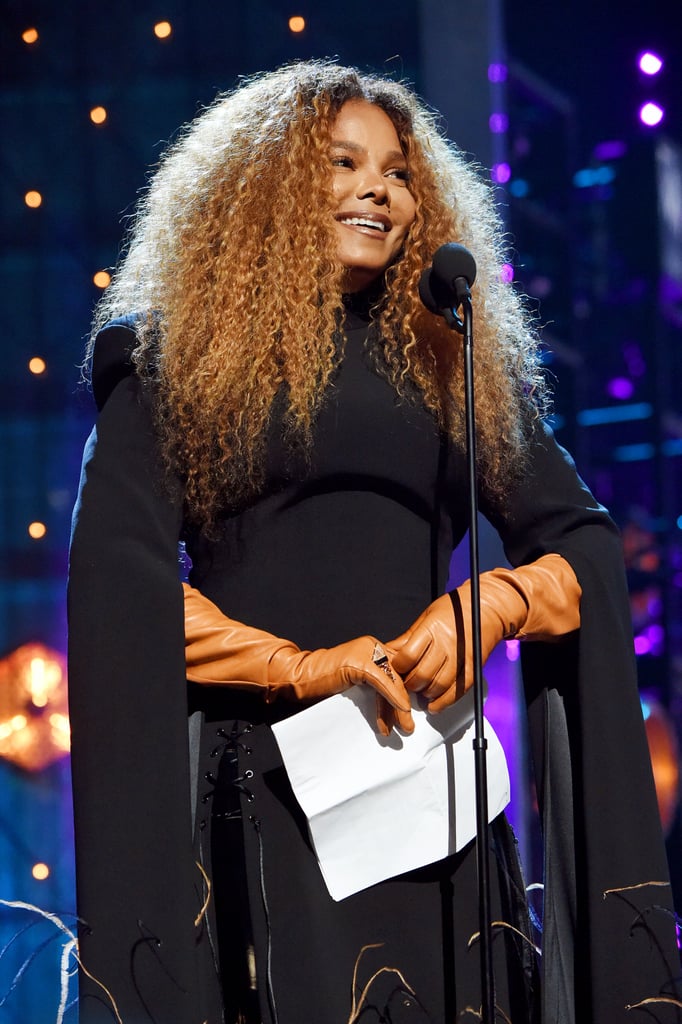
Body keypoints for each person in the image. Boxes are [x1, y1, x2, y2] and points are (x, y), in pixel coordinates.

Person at [68, 60, 680, 1024]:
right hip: (269, 789)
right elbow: (123, 586)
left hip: (431, 789)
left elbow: (582, 552)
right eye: (343, 162)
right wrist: (302, 667)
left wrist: (490, 605)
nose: (378, 189)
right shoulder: (169, 359)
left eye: (397, 171)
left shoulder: (452, 361)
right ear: (265, 189)